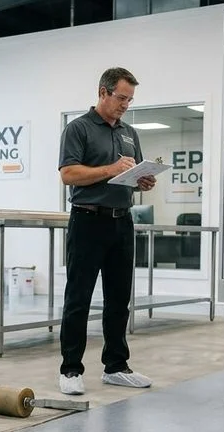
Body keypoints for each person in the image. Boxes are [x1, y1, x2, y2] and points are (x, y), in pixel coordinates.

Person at [56, 67, 155, 396]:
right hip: (88, 220)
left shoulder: (129, 133)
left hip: (122, 221)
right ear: (103, 92)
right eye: (121, 98)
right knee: (79, 298)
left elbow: (131, 175)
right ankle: (71, 369)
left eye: (130, 100)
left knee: (119, 299)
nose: (125, 105)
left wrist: (143, 181)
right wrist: (110, 169)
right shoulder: (78, 128)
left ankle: (116, 366)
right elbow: (69, 174)